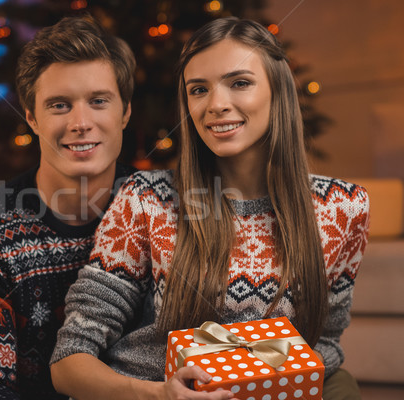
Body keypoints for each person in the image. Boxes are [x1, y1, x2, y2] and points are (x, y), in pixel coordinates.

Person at [50, 17, 369, 400]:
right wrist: (159, 394)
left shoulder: (343, 207)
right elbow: (69, 362)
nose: (216, 105)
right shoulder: (147, 198)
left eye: (240, 83)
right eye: (198, 90)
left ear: (278, 90)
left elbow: (323, 345)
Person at [0, 15, 136, 399]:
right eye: (59, 106)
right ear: (31, 117)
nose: (81, 123)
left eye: (98, 101)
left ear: (125, 112)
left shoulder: (161, 209)